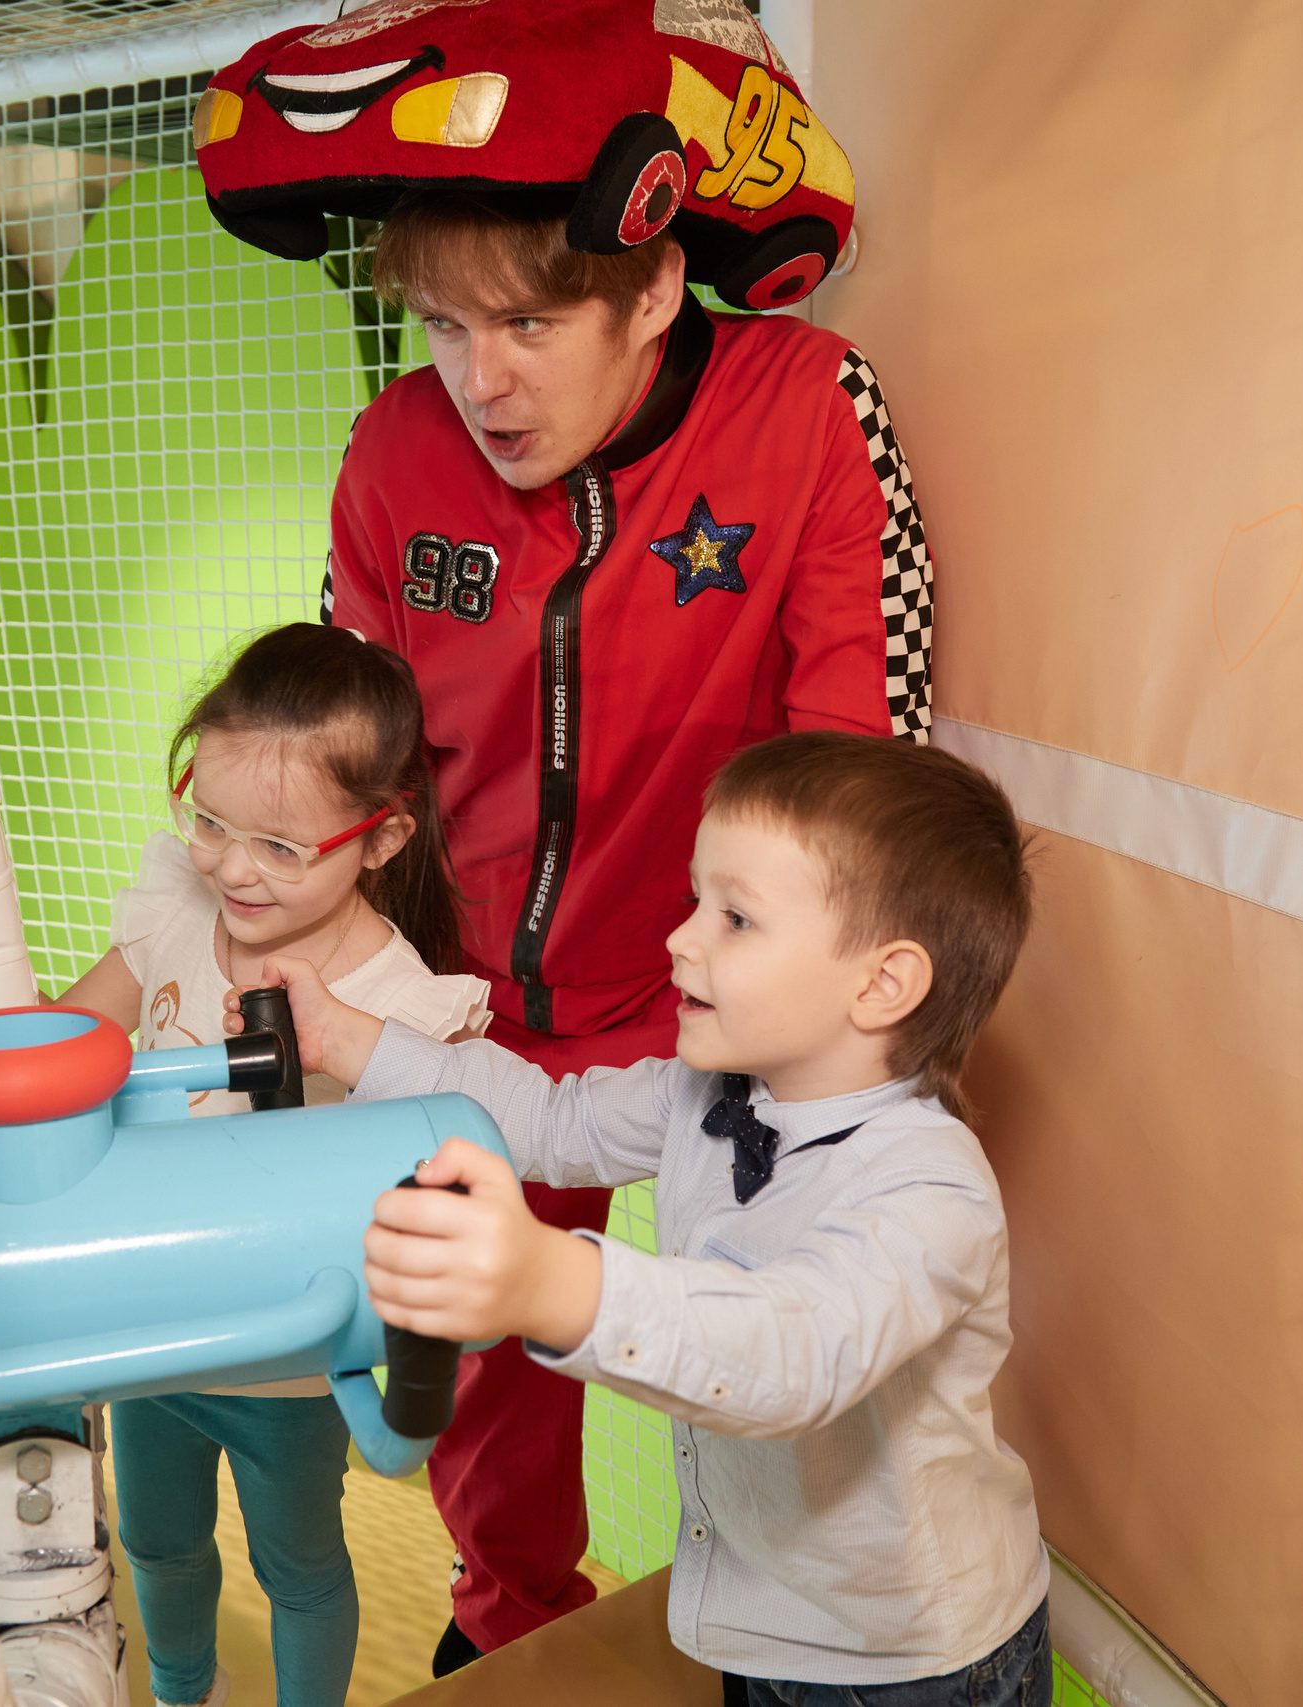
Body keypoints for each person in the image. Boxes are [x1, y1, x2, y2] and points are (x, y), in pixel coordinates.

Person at [321, 191, 935, 1667]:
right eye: (449, 326)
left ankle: (807, 1645)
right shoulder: (398, 449)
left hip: (727, 1010)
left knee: (782, 1355)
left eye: (528, 323)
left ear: (653, 287)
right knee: (478, 1364)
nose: (482, 381)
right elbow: (350, 744)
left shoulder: (800, 404)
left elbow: (867, 755)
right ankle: (508, 1621)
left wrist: (807, 1023)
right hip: (478, 1004)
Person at [233, 731, 1047, 1706]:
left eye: (735, 918)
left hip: (911, 1662)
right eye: (694, 902)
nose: (681, 940)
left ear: (881, 985)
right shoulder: (704, 1089)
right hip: (757, 1618)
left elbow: (789, 1356)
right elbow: (545, 1117)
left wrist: (554, 1283)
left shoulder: (928, 1192)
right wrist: (351, 1038)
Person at [45, 622, 493, 1707]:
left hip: (289, 1352)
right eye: (209, 819)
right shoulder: (172, 918)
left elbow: (448, 1177)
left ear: (382, 838)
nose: (232, 867)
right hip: (152, 1328)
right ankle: (180, 1693)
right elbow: (60, 1039)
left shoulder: (398, 1003)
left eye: (283, 848)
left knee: (298, 1567)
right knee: (154, 1543)